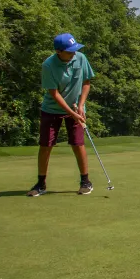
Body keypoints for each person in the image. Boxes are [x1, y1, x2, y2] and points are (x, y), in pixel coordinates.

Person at [28, 33, 96, 196]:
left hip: (76, 108)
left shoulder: (80, 58)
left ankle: (85, 181)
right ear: (59, 51)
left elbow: (87, 82)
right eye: (70, 50)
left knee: (77, 143)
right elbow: (54, 93)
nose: (74, 53)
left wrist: (80, 106)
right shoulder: (48, 65)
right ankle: (41, 184)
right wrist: (71, 112)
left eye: (75, 49)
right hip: (52, 109)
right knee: (46, 145)